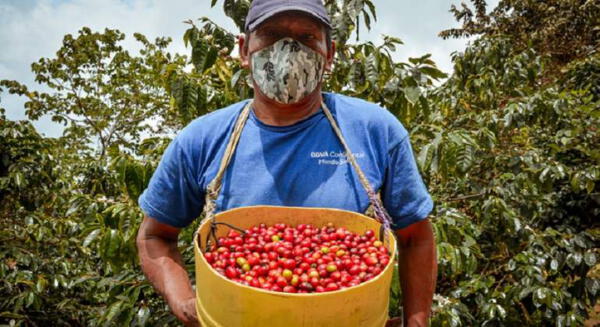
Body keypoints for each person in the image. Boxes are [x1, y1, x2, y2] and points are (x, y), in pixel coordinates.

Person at [135, 0, 437, 326]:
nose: (289, 50)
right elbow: (155, 237)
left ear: (330, 53)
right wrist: (186, 304)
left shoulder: (375, 130)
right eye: (271, 35)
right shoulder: (201, 139)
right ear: (244, 49)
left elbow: (415, 237)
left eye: (307, 38)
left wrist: (416, 322)